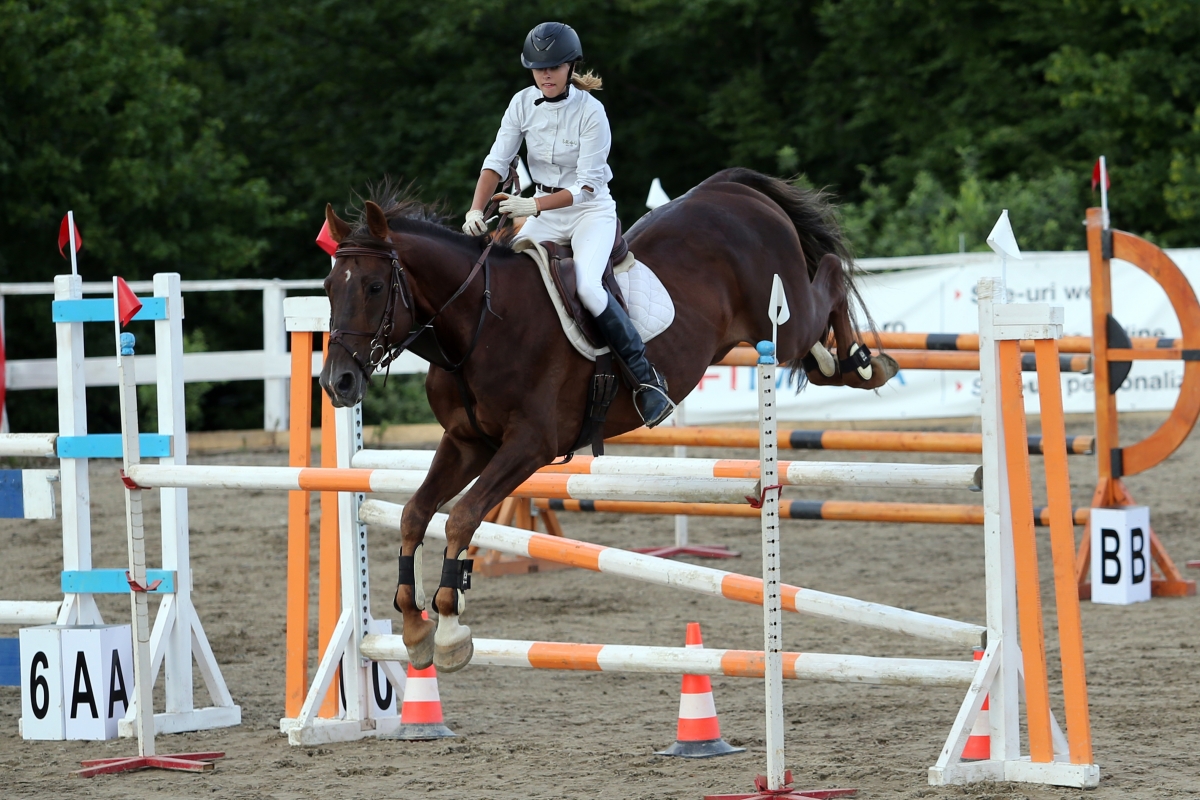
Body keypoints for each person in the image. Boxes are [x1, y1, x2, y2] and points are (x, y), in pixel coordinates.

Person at [463, 21, 674, 428]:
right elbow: (496, 160)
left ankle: (647, 381)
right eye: (538, 68)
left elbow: (587, 186)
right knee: (507, 276)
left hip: (588, 212)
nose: (546, 75)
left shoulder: (593, 112)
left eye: (554, 67)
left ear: (570, 66)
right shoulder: (522, 103)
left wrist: (533, 205)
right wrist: (475, 210)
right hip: (538, 207)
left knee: (588, 287)